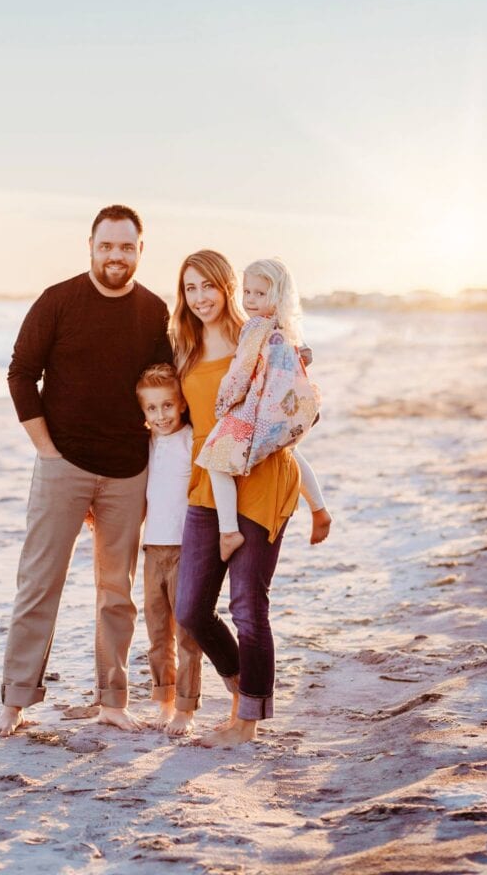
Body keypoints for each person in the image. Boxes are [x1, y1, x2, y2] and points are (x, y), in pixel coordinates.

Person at [0, 205, 173, 737]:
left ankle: (113, 700)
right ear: (90, 245)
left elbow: (168, 385)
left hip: (128, 473)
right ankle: (15, 701)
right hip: (60, 465)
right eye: (107, 245)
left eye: (127, 247)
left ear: (141, 250)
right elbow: (21, 374)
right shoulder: (58, 300)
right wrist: (46, 452)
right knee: (38, 584)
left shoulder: (154, 311)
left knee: (117, 592)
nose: (116, 256)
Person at [171, 249, 302, 748]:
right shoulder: (182, 344)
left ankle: (246, 724)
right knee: (191, 610)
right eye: (189, 288)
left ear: (228, 287)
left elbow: (295, 403)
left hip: (260, 478)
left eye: (208, 286)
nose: (200, 297)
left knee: (248, 605)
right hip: (209, 479)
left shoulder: (263, 337)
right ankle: (238, 687)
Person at [196, 257, 331, 562]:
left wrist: (224, 401)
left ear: (278, 296)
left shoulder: (255, 327)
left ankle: (229, 531)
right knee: (291, 454)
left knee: (216, 461)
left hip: (257, 409)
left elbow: (241, 371)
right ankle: (319, 507)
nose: (251, 300)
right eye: (247, 292)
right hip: (282, 411)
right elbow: (302, 358)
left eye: (260, 293)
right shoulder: (286, 328)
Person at [135, 363, 202, 737]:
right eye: (152, 408)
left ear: (181, 405)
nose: (161, 415)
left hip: (186, 548)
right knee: (157, 630)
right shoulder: (146, 444)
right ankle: (163, 696)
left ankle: (186, 708)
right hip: (151, 550)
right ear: (143, 412)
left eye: (167, 406)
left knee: (187, 633)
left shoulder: (192, 439)